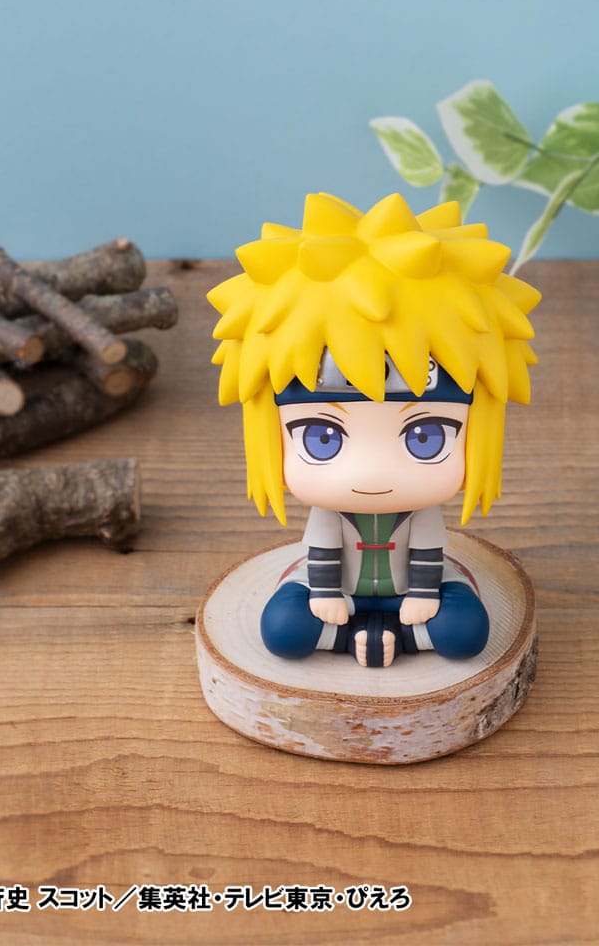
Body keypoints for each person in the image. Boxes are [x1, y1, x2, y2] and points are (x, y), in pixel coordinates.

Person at [208, 192, 539, 667]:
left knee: (464, 631)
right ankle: (379, 638)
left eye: (426, 438)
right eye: (322, 439)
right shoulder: (329, 513)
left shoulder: (422, 513)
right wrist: (325, 594)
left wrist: (423, 595)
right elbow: (322, 553)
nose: (372, 471)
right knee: (284, 629)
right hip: (335, 596)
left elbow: (427, 555)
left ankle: (368, 637)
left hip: (415, 595)